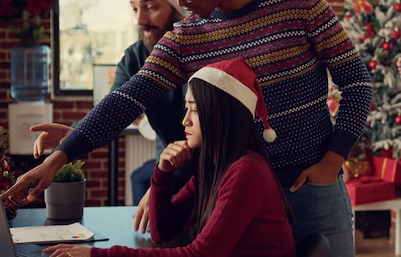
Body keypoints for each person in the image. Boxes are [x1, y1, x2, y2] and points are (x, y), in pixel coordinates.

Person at [1, 0, 373, 256]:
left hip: (313, 186)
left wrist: (333, 159)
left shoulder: (301, 4)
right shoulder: (187, 36)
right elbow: (127, 99)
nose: (182, 0)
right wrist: (61, 156)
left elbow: (357, 84)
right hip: (238, 194)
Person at [43, 58, 296, 256]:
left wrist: (96, 255)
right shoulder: (214, 167)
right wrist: (162, 173)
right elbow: (162, 231)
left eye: (194, 110)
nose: (184, 120)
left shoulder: (245, 171)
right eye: (186, 108)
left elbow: (200, 254)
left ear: (220, 116)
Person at [32, 0, 193, 231]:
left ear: (176, 6)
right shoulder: (135, 57)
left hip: (207, 174)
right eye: (134, 8)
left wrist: (159, 185)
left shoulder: (202, 48)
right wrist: (73, 133)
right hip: (167, 168)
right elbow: (113, 110)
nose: (140, 19)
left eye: (150, 6)